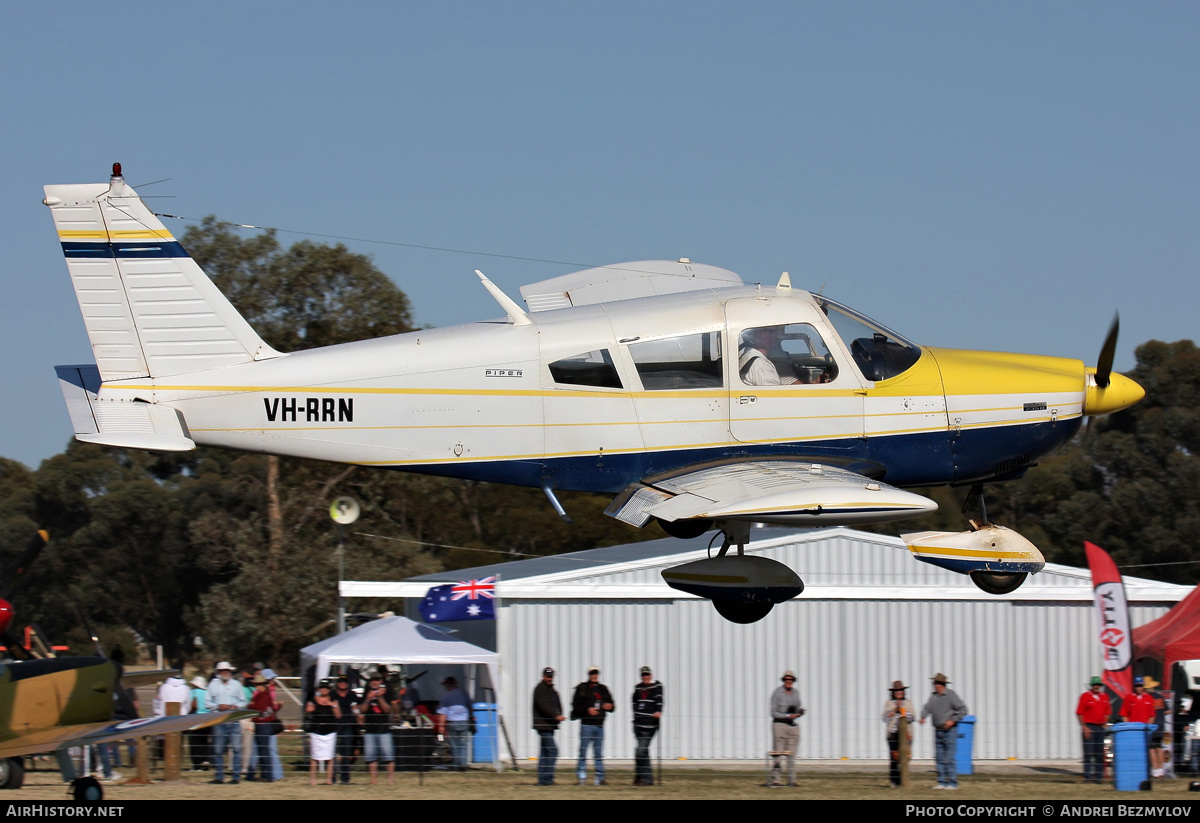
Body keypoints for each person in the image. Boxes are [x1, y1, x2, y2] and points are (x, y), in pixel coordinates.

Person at [919, 672, 968, 790]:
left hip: (950, 731)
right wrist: (923, 716)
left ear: (940, 684)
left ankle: (952, 783)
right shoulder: (933, 696)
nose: (933, 684)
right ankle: (941, 782)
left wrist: (953, 721)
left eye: (935, 682)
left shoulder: (951, 695)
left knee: (949, 758)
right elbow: (927, 708)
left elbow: (963, 709)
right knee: (939, 757)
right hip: (938, 730)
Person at [206, 661, 247, 784]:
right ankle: (219, 776)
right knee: (218, 750)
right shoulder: (212, 685)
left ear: (230, 672)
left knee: (236, 749)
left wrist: (236, 706)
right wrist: (218, 706)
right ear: (218, 672)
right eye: (223, 671)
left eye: (227, 671)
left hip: (234, 720)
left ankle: (236, 777)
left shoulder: (236, 685)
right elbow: (207, 703)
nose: (225, 673)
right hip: (219, 720)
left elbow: (243, 701)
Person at [572, 666, 614, 786]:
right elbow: (575, 706)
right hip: (586, 725)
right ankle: (581, 777)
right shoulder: (582, 688)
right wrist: (587, 710)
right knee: (583, 752)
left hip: (600, 726)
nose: (594, 675)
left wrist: (610, 706)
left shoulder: (603, 689)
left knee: (598, 753)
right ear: (589, 674)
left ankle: (600, 778)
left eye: (596, 673)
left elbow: (612, 704)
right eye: (592, 673)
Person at [358, 671, 395, 785]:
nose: (374, 682)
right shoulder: (366, 691)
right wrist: (368, 699)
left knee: (389, 756)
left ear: (381, 681)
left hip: (384, 729)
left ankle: (390, 780)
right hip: (370, 729)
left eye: (377, 680)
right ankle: (373, 780)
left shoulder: (386, 692)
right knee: (371, 756)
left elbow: (387, 710)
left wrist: (379, 697)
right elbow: (362, 710)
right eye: (372, 680)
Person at [769, 670, 805, 787]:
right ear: (784, 680)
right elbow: (773, 712)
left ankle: (792, 781)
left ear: (793, 681)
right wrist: (786, 716)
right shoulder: (777, 693)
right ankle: (776, 780)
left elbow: (797, 708)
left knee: (792, 755)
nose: (789, 681)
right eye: (787, 679)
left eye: (791, 679)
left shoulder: (796, 693)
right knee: (778, 754)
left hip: (792, 725)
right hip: (779, 725)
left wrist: (799, 712)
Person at [532, 667, 566, 786]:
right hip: (543, 725)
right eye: (548, 676)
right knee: (553, 751)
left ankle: (543, 779)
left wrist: (559, 714)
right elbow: (544, 706)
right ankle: (547, 778)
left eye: (551, 676)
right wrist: (556, 715)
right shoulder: (540, 689)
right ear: (543, 676)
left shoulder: (552, 690)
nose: (550, 678)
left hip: (550, 725)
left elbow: (557, 704)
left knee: (545, 752)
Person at [1076, 675, 1112, 783]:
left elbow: (1108, 711)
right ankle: (1087, 776)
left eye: (1098, 685)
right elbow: (1079, 713)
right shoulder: (1085, 696)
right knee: (1088, 753)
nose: (1097, 686)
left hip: (1100, 727)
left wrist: (1105, 722)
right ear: (1091, 686)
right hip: (1089, 726)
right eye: (1095, 685)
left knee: (1099, 753)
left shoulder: (1104, 696)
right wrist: (1084, 727)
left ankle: (1098, 777)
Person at [305, 679, 341, 786]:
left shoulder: (334, 699)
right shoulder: (313, 699)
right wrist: (310, 709)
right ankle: (313, 779)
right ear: (319, 689)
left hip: (330, 732)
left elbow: (338, 715)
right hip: (316, 731)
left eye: (326, 688)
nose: (324, 690)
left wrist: (331, 705)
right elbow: (307, 710)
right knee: (315, 756)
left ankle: (329, 779)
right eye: (322, 688)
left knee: (329, 757)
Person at [631, 666, 663, 786]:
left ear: (651, 675)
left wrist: (658, 711)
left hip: (649, 725)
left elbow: (659, 700)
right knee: (642, 752)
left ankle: (645, 778)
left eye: (647, 674)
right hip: (638, 724)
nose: (646, 677)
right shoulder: (638, 688)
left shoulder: (656, 687)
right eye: (644, 675)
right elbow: (634, 703)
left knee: (640, 751)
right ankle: (642, 778)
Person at [248, 674, 282, 781]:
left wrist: (252, 705)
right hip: (260, 724)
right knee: (262, 750)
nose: (256, 686)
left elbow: (259, 708)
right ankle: (265, 774)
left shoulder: (264, 695)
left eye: (258, 684)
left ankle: (268, 775)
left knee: (264, 750)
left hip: (263, 724)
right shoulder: (261, 694)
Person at [882, 680, 913, 787]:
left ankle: (904, 780)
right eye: (896, 691)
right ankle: (894, 781)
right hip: (893, 734)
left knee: (905, 757)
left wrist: (902, 710)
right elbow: (885, 718)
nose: (899, 692)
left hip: (906, 734)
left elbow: (912, 716)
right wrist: (895, 710)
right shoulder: (889, 703)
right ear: (893, 692)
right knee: (894, 757)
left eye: (900, 690)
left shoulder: (908, 703)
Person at [437, 676, 472, 770]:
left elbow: (443, 712)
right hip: (464, 721)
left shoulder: (446, 696)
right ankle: (463, 764)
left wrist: (441, 726)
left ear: (448, 685)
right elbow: (470, 707)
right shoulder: (464, 694)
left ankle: (456, 765)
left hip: (452, 722)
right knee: (463, 745)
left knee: (455, 745)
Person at [330, 675, 359, 784]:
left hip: (348, 726)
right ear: (337, 683)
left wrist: (357, 711)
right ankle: (331, 778)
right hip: (334, 726)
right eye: (341, 681)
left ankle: (345, 778)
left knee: (346, 754)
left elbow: (358, 706)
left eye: (345, 681)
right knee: (332, 753)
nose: (343, 683)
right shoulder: (332, 694)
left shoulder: (352, 694)